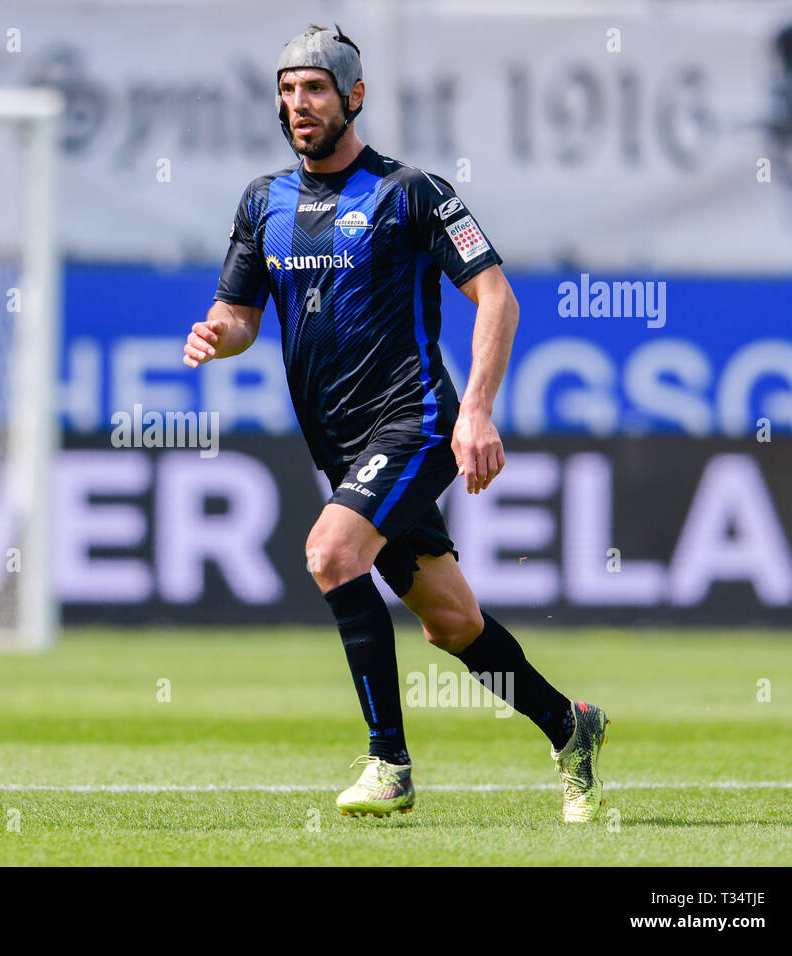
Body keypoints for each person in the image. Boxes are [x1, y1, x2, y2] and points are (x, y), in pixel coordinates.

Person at [184, 24, 609, 822]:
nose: (297, 104)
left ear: (354, 96)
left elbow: (498, 298)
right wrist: (217, 335)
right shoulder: (261, 202)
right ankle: (570, 726)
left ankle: (390, 764)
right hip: (340, 446)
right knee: (452, 623)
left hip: (413, 422)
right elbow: (239, 314)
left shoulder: (412, 192)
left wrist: (476, 412)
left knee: (329, 551)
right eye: (285, 89)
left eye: (313, 88)